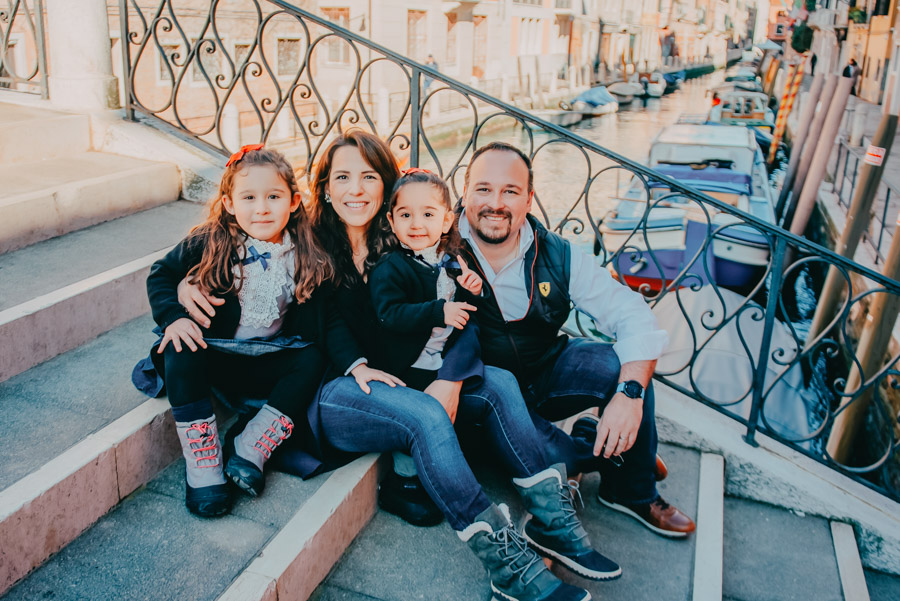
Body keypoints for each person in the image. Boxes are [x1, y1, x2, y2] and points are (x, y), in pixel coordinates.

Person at [178, 130, 620, 601]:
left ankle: (551, 522)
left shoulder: (408, 236)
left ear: (386, 187)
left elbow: (460, 316)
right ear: (325, 185)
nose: (355, 189)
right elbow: (228, 241)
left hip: (401, 376)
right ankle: (507, 567)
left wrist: (451, 379)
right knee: (424, 414)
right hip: (331, 385)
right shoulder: (305, 237)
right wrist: (181, 291)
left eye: (368, 176)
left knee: (501, 382)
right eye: (342, 177)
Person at [457, 142, 696, 538]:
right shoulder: (437, 246)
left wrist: (630, 394)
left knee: (626, 366)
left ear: (529, 199)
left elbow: (632, 314)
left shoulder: (558, 253)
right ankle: (615, 451)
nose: (495, 203)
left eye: (510, 191)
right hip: (486, 397)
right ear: (464, 192)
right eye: (483, 188)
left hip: (544, 371)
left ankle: (632, 490)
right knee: (554, 461)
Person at [133, 145, 332, 518]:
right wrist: (174, 316)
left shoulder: (305, 250)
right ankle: (203, 461)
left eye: (274, 196)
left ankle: (251, 444)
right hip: (214, 354)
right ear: (228, 202)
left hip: (267, 359)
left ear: (293, 201)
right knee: (180, 345)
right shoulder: (213, 239)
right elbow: (161, 274)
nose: (262, 208)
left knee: (313, 355)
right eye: (249, 197)